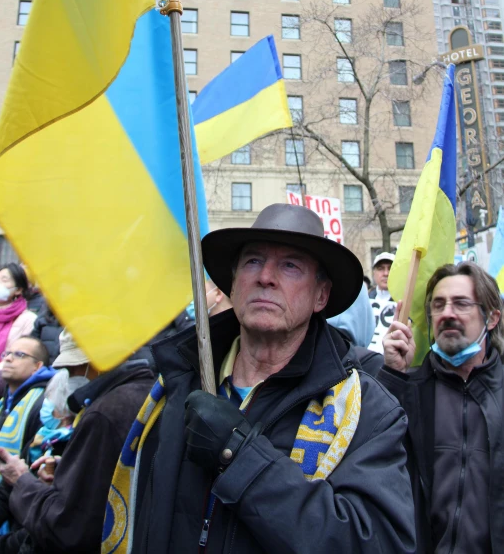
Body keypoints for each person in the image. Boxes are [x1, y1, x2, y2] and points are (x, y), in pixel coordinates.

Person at [104, 203, 416, 553]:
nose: (265, 276)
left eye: (290, 266)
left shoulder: (369, 412)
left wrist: (237, 455)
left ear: (321, 296)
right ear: (233, 285)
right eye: (252, 261)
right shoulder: (177, 385)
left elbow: (375, 542)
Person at [379, 261, 504, 553]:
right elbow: (374, 462)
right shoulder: (409, 392)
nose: (447, 313)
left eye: (461, 303)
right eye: (438, 304)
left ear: (492, 317)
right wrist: (394, 377)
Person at [0, 330, 154, 554]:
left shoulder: (104, 412)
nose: (67, 375)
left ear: (95, 362)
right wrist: (66, 470)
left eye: (71, 368)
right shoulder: (146, 392)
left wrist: (21, 481)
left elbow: (68, 527)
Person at [0, 336, 53, 519]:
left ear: (37, 366)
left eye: (19, 355)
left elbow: (31, 463)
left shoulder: (44, 404)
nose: (8, 358)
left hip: (19, 512)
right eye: (6, 353)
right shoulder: (3, 403)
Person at [0, 266, 37, 398]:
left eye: (4, 280)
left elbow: (23, 354)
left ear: (18, 289)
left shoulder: (28, 319)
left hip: (4, 374)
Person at [368, 252, 396, 353]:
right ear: (374, 273)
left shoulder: (404, 302)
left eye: (390, 268)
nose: (386, 273)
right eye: (381, 268)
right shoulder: (365, 300)